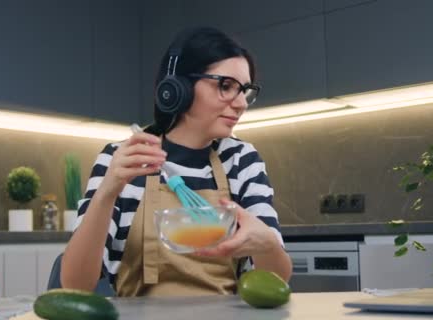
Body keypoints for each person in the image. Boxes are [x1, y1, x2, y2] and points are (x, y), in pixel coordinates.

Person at [61, 26, 292, 297]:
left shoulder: (241, 160)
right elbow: (75, 285)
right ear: (178, 87)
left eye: (245, 90)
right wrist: (107, 192)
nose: (241, 103)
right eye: (226, 86)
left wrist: (267, 245)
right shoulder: (120, 159)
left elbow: (278, 281)